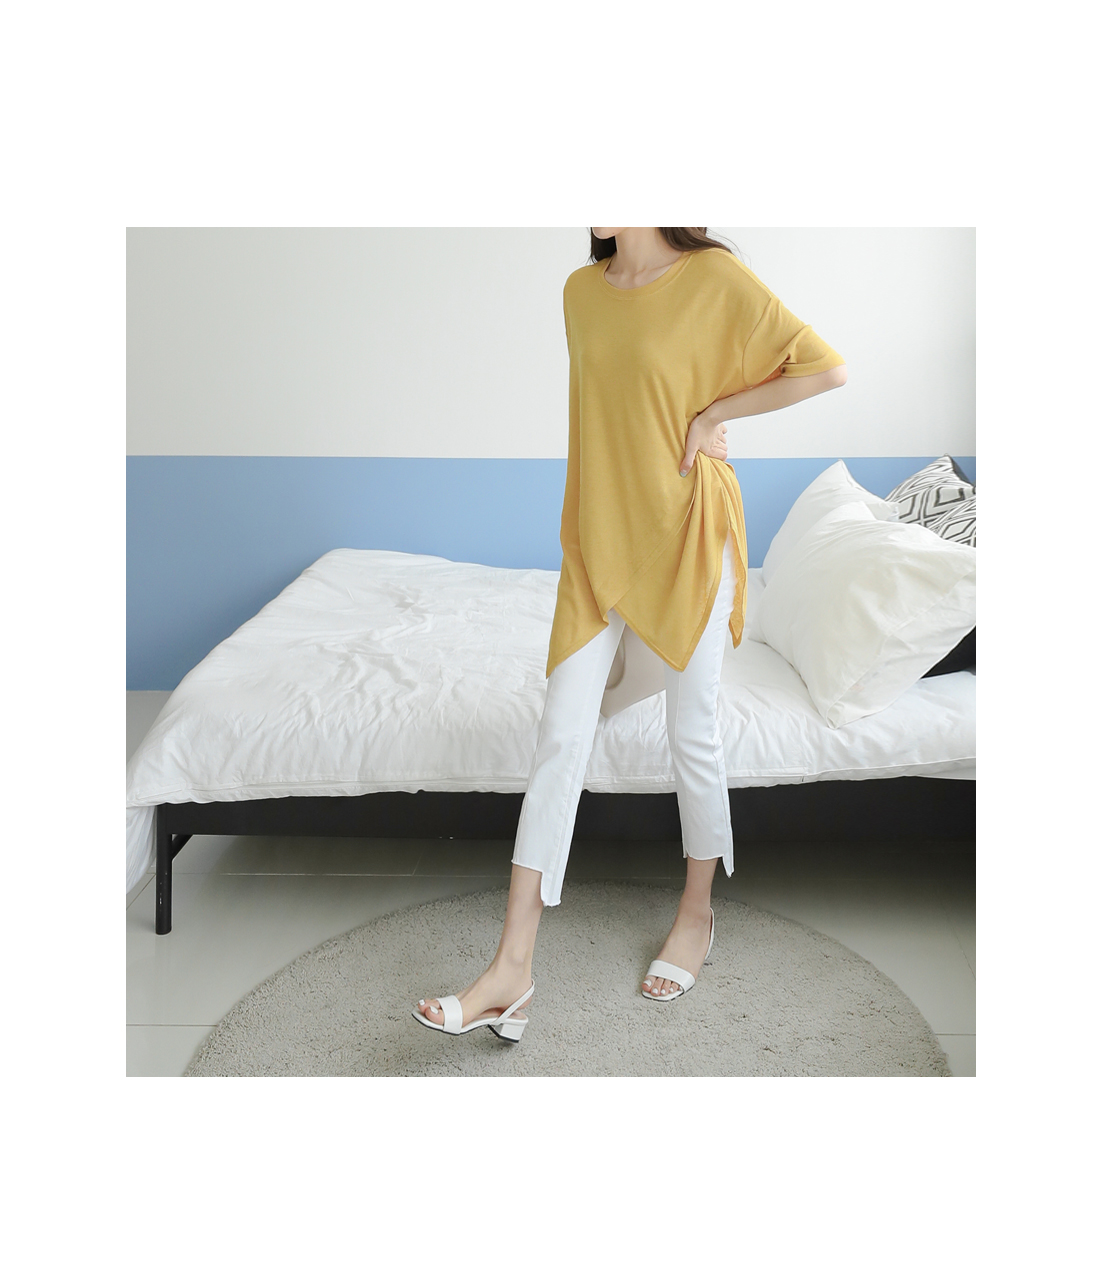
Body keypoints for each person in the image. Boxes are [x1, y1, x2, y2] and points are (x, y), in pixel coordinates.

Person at [412, 228, 847, 1040]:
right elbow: (599, 429)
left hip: (691, 534)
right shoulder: (581, 293)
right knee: (560, 734)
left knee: (692, 729)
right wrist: (581, 539)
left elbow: (824, 367)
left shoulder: (713, 277)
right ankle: (511, 968)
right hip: (599, 541)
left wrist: (714, 412)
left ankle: (696, 912)